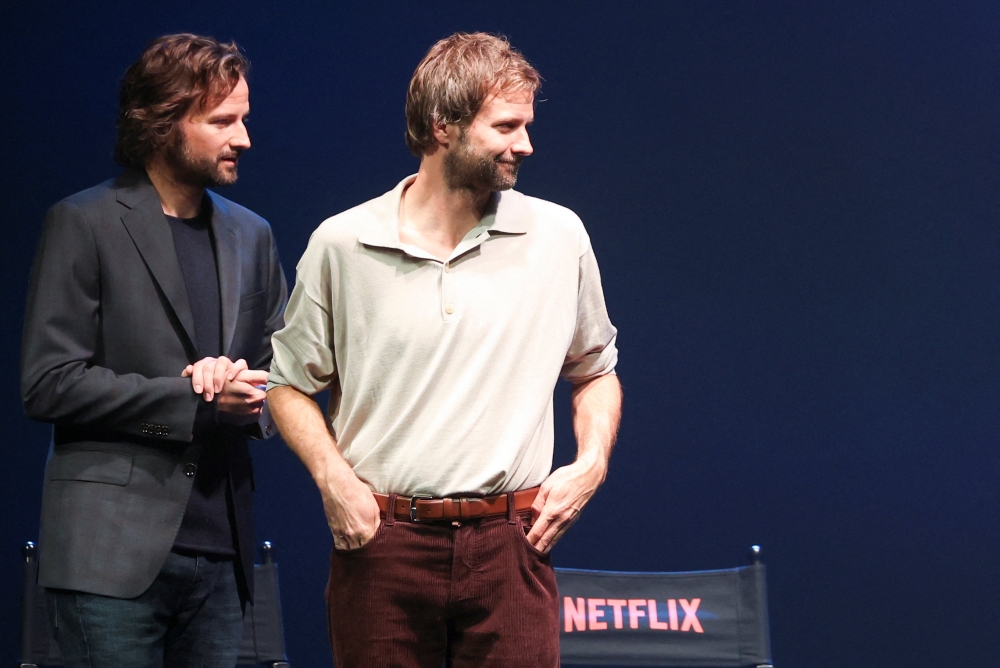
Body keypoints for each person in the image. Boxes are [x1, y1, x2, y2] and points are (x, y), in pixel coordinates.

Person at [267, 32, 622, 666]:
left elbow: (596, 369)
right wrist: (331, 479)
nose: (526, 144)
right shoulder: (344, 244)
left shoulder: (558, 236)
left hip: (512, 542)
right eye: (506, 126)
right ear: (443, 126)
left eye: (527, 124)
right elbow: (289, 383)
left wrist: (591, 462)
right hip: (383, 545)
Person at [20, 33, 287, 667]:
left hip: (222, 554)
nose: (243, 137)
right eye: (222, 121)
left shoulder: (253, 235)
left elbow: (288, 375)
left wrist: (253, 394)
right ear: (162, 123)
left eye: (244, 118)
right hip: (107, 557)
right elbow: (48, 382)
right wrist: (193, 399)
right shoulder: (84, 222)